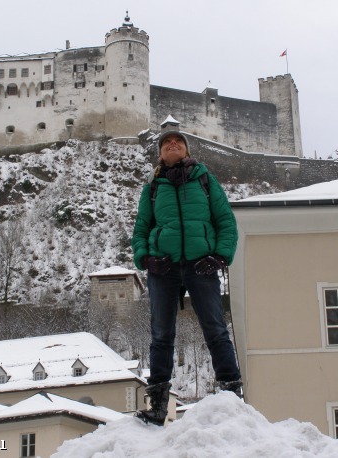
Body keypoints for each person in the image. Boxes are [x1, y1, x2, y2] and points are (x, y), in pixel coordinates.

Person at [132, 119, 243, 426]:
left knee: (216, 331)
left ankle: (232, 393)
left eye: (178, 142)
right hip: (163, 268)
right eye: (167, 143)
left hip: (200, 264)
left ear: (186, 150)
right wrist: (145, 259)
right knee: (161, 336)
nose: (173, 144)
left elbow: (226, 221)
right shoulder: (153, 188)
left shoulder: (205, 180)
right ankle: (157, 406)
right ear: (159, 154)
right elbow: (141, 229)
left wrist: (220, 256)